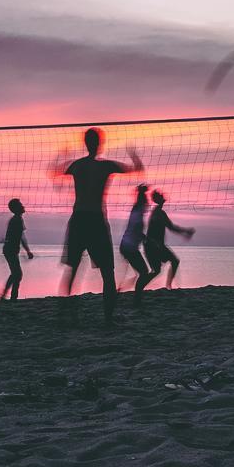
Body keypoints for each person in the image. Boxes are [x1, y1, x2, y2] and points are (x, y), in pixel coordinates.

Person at [58, 127, 143, 327]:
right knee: (107, 272)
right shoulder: (106, 166)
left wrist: (63, 158)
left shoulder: (76, 166)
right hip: (95, 220)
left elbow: (59, 172)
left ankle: (67, 314)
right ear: (100, 144)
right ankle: (108, 319)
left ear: (86, 143)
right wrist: (133, 154)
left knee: (73, 268)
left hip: (78, 219)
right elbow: (137, 168)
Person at [145, 190, 196, 288]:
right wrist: (186, 231)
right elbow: (171, 227)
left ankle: (167, 286)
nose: (163, 196)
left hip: (155, 245)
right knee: (164, 267)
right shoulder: (158, 213)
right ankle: (143, 286)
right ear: (158, 199)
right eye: (160, 195)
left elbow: (171, 227)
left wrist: (185, 232)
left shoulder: (158, 212)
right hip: (153, 245)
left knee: (162, 267)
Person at [118, 185, 156, 306]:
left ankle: (128, 294)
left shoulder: (137, 210)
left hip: (128, 246)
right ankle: (136, 299)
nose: (148, 205)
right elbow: (136, 229)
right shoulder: (138, 212)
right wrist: (147, 239)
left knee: (140, 272)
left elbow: (136, 230)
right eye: (147, 202)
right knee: (144, 272)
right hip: (129, 247)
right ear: (143, 202)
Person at [0, 198, 34, 301]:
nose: (23, 206)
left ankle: (8, 296)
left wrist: (27, 251)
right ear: (16, 209)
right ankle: (11, 297)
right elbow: (21, 237)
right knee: (17, 274)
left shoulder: (18, 219)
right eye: (20, 205)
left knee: (16, 274)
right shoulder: (16, 220)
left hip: (11, 249)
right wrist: (28, 251)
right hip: (10, 249)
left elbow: (21, 236)